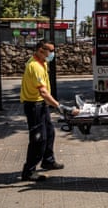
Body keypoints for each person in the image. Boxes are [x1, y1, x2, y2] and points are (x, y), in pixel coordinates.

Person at [20, 40, 65, 182]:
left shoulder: (41, 62)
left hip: (41, 104)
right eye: (50, 51)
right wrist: (59, 106)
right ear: (40, 50)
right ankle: (28, 171)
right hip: (34, 106)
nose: (52, 53)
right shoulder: (35, 66)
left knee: (50, 132)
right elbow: (44, 92)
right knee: (39, 139)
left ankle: (48, 160)